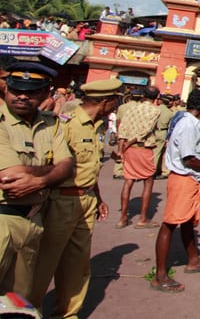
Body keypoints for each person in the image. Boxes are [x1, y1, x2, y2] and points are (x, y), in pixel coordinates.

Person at [30, 79, 122, 317]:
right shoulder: (66, 125)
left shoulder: (96, 126)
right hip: (61, 202)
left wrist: (98, 198)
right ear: (105, 102)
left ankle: (67, 314)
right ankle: (29, 312)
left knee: (77, 266)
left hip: (86, 201)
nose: (115, 107)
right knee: (44, 264)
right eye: (114, 101)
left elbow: (89, 168)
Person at [0, 62, 74, 300]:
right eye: (16, 89)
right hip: (3, 218)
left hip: (33, 220)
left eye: (30, 92)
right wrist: (52, 172)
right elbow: (11, 175)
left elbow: (68, 167)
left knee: (17, 300)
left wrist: (39, 181)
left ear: (45, 93)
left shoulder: (50, 124)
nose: (22, 96)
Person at [151, 89, 200, 293]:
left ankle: (193, 259)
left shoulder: (187, 122)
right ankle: (160, 276)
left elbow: (191, 150)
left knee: (188, 221)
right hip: (183, 179)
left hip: (190, 180)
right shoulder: (188, 126)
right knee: (170, 224)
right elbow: (188, 159)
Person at [116, 85, 161, 229]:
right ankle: (142, 218)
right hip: (143, 148)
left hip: (129, 150)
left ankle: (123, 218)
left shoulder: (132, 109)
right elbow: (145, 130)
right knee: (148, 181)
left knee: (128, 181)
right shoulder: (155, 110)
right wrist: (130, 142)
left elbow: (122, 128)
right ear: (156, 98)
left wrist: (121, 148)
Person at [153, 93, 176, 179]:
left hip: (154, 131)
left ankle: (153, 170)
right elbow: (171, 126)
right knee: (161, 152)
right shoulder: (170, 113)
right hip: (164, 132)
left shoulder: (155, 109)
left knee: (154, 152)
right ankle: (159, 169)